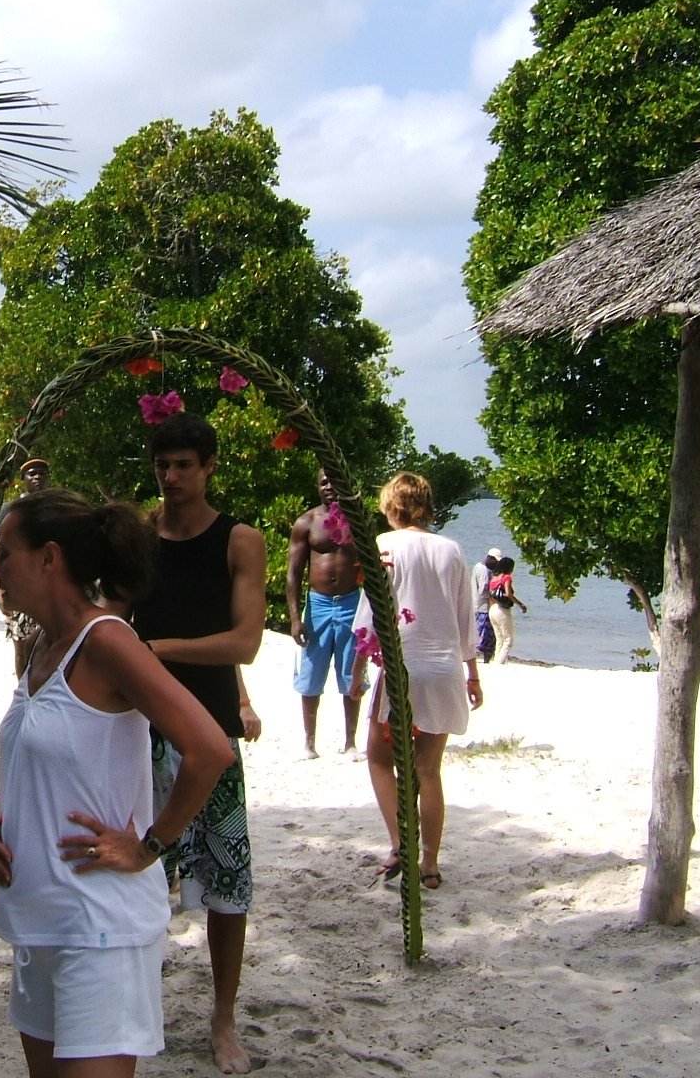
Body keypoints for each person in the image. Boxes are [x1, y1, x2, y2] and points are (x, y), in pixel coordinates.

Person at [0, 488, 232, 1077]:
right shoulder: (43, 645)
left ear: (49, 558)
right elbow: (60, 760)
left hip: (100, 929)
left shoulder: (108, 641)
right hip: (39, 924)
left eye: (4, 553)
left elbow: (210, 749)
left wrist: (149, 846)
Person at [130, 412, 266, 1075]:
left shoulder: (240, 540)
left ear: (209, 466)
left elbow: (245, 640)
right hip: (136, 730)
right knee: (136, 873)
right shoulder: (137, 538)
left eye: (185, 464)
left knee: (226, 884)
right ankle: (134, 1005)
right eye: (163, 466)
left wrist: (156, 653)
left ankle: (223, 1017)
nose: (173, 477)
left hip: (209, 729)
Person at [364, 471, 482, 893]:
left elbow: (372, 611)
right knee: (428, 769)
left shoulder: (382, 545)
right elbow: (465, 617)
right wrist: (473, 673)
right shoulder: (451, 549)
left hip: (401, 664)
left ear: (392, 506)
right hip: (446, 666)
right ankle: (430, 863)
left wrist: (360, 667)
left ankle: (399, 844)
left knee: (379, 758)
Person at [286, 471, 368, 759]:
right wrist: (295, 618)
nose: (330, 487)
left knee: (351, 673)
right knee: (311, 674)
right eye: (323, 482)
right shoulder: (306, 523)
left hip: (351, 603)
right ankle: (309, 742)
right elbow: (294, 573)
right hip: (318, 604)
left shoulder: (358, 521)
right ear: (317, 486)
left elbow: (374, 568)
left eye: (335, 481)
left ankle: (351, 742)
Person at [0, 458, 52, 652]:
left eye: (42, 473)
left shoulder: (56, 509)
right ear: (24, 479)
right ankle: (23, 683)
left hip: (50, 588)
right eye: (32, 474)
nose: (38, 477)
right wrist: (0, 592)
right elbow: (0, 552)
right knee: (20, 643)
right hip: (20, 586)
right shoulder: (11, 511)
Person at [488, 555, 527, 664]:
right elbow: (508, 593)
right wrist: (520, 604)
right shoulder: (506, 578)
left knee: (499, 638)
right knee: (508, 640)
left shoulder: (494, 578)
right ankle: (499, 663)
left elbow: (491, 594)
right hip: (502, 609)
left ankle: (498, 660)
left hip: (493, 609)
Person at [472, 549, 500, 664]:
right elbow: (483, 590)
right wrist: (494, 595)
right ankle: (485, 659)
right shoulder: (485, 571)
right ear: (490, 559)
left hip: (477, 605)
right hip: (483, 607)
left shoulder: (477, 566)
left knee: (478, 634)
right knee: (486, 637)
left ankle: (477, 657)